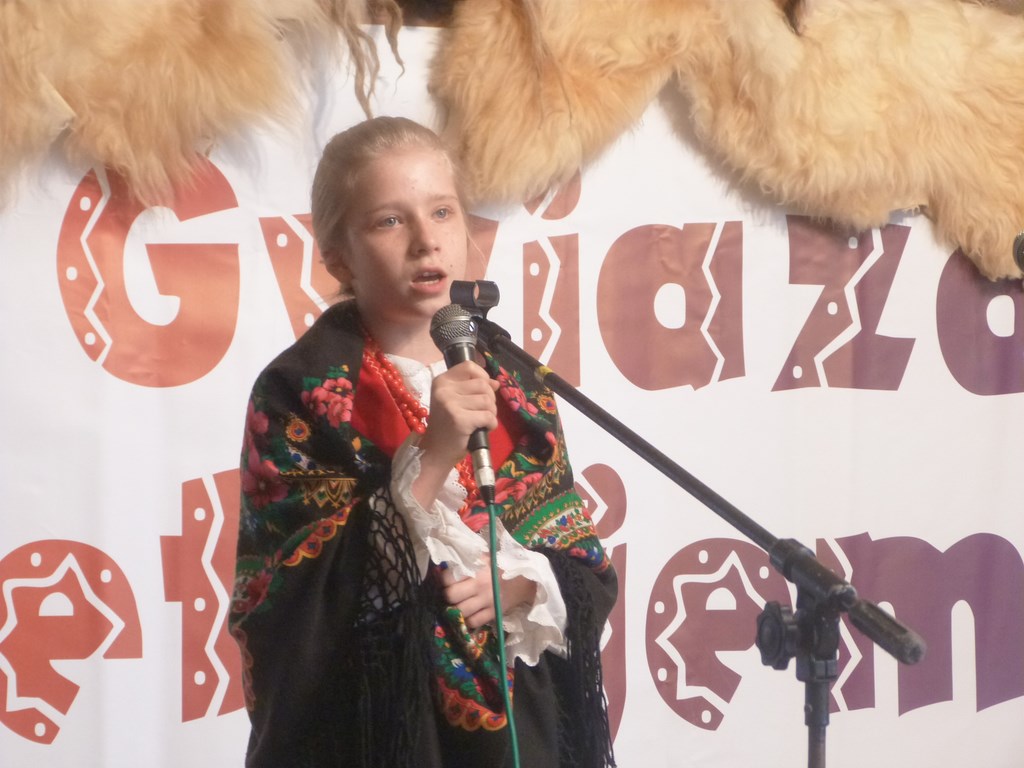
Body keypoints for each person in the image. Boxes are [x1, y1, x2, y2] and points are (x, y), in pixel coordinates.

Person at [229, 116, 617, 767]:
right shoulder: (299, 392)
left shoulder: (516, 382)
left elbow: (580, 555)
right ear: (338, 257)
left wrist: (524, 587)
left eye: (442, 212)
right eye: (390, 221)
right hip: (378, 735)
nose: (425, 241)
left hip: (523, 726)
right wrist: (432, 457)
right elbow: (285, 606)